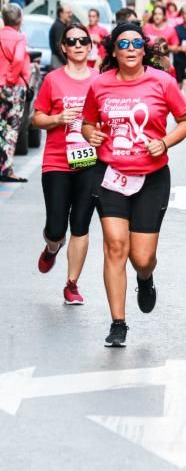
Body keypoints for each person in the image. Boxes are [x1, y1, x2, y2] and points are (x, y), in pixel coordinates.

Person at [81, 22, 186, 347]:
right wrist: (92, 134)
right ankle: (118, 323)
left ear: (144, 49)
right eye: (123, 44)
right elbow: (88, 123)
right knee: (116, 245)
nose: (130, 49)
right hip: (112, 173)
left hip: (152, 176)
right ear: (113, 51)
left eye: (135, 43)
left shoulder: (162, 82)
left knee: (141, 257)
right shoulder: (99, 85)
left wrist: (166, 142)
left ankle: (145, 279)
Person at [33, 23, 98, 304]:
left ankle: (72, 284)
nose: (78, 45)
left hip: (91, 161)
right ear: (64, 47)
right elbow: (36, 118)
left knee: (81, 224)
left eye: (84, 40)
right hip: (58, 162)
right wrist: (57, 119)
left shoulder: (100, 80)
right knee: (57, 228)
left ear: (90, 45)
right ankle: (52, 247)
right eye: (72, 41)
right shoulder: (53, 80)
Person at [0, 4, 31, 182]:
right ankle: (6, 169)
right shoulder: (19, 38)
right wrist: (10, 79)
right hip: (13, 88)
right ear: (19, 20)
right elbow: (19, 58)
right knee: (11, 128)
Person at [49, 2, 73, 69]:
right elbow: (59, 47)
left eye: (71, 12)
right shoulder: (58, 27)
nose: (71, 14)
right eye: (68, 12)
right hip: (59, 62)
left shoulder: (63, 26)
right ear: (61, 14)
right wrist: (67, 61)